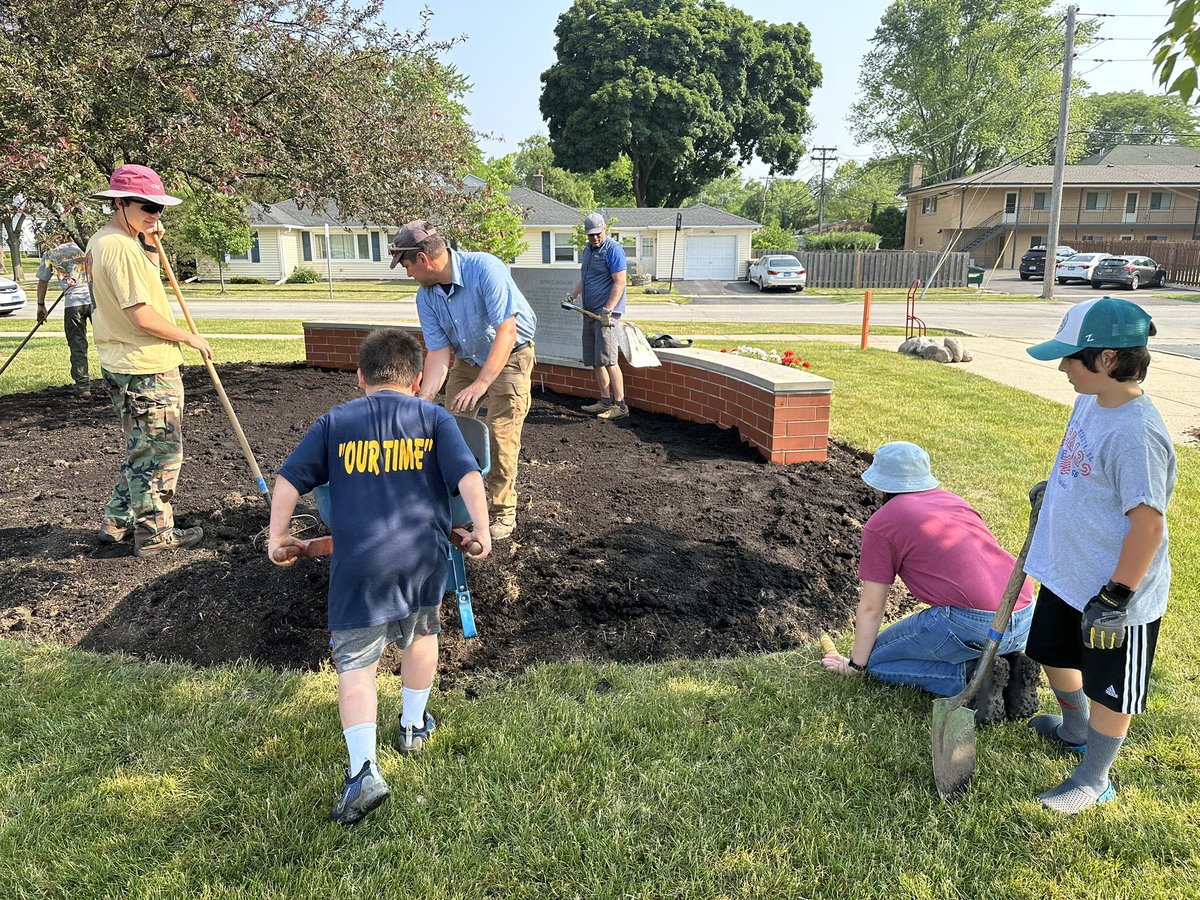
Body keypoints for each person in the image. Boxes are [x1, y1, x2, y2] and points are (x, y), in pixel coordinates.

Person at [267, 328, 490, 826]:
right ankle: (412, 726)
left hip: (359, 565)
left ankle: (364, 769)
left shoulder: (334, 422)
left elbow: (289, 480)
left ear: (360, 377)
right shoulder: (434, 417)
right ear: (416, 380)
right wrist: (482, 528)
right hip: (422, 558)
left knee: (356, 665)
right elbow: (469, 477)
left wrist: (277, 535)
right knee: (422, 635)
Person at [1021, 297, 1175, 815]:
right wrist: (1055, 489)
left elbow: (1148, 524)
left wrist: (1117, 595)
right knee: (1051, 652)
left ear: (1108, 359)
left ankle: (1094, 777)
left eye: (1070, 357)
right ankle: (1074, 726)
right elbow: (1081, 460)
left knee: (1112, 688)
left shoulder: (1137, 434)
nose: (1063, 367)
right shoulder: (1092, 398)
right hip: (1067, 570)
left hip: (1113, 593)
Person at [821, 441, 1039, 725]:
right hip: (1023, 615)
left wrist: (855, 665)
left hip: (971, 624)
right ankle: (1008, 667)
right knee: (920, 642)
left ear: (881, 483)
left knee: (875, 660)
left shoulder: (882, 523)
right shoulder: (954, 500)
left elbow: (872, 608)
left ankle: (971, 676)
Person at [86, 164, 212, 556]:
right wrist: (189, 337)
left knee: (141, 449)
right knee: (160, 453)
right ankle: (156, 536)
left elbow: (149, 282)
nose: (155, 214)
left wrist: (154, 244)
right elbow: (140, 314)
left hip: (125, 360)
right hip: (146, 367)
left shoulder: (109, 241)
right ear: (120, 202)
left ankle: (116, 521)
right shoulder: (120, 248)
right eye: (147, 206)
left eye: (159, 208)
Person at [389, 219, 537, 542]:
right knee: (451, 430)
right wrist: (424, 400)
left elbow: (507, 331)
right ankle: (455, 507)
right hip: (468, 360)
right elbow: (440, 354)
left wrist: (481, 384)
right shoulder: (426, 297)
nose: (407, 273)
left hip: (510, 355)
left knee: (500, 434)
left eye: (407, 265)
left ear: (424, 260)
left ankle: (503, 512)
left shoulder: (485, 269)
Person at [566, 212, 629, 420]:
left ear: (605, 230)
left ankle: (620, 406)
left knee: (610, 360)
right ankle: (604, 402)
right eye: (591, 234)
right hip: (589, 313)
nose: (595, 238)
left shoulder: (613, 250)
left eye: (598, 234)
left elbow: (620, 282)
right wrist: (572, 296)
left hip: (605, 316)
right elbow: (586, 279)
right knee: (596, 360)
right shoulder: (588, 250)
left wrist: (608, 309)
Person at [36, 237, 94, 395]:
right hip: (95, 301)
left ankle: (83, 387)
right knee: (108, 341)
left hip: (73, 304)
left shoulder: (50, 255)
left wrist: (40, 305)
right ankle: (115, 383)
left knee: (77, 345)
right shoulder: (85, 247)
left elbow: (43, 281)